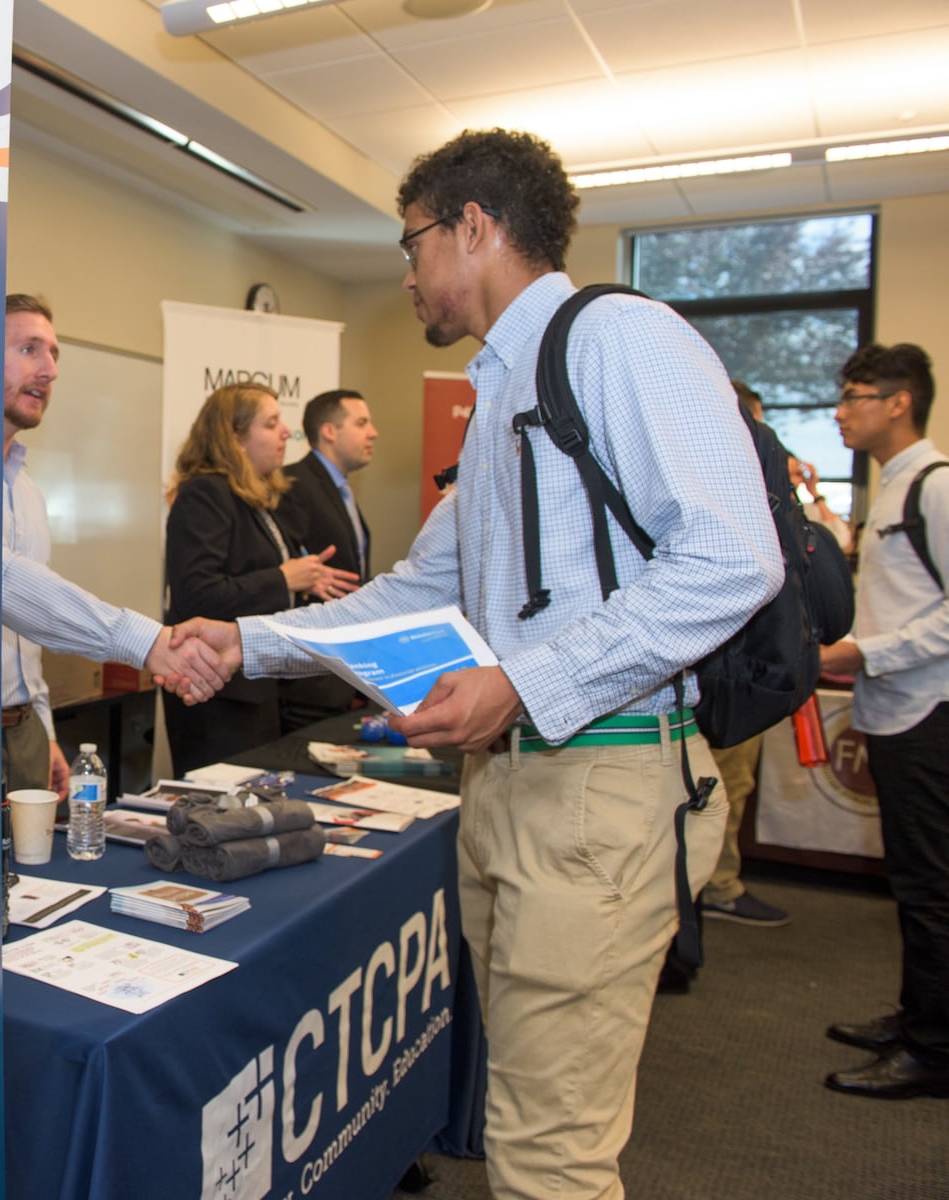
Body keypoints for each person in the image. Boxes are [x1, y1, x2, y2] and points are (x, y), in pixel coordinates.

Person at [175, 129, 782, 1197]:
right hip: (510, 781)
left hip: (600, 778)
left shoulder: (619, 340)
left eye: (411, 243)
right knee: (520, 1120)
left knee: (549, 1155)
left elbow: (733, 558)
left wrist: (524, 684)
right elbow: (420, 587)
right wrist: (249, 641)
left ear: (473, 228)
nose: (404, 273)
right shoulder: (500, 390)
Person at [819, 342, 949, 1100]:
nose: (840, 411)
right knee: (915, 878)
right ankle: (918, 1016)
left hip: (930, 711)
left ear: (899, 402)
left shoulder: (934, 486)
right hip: (899, 709)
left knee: (933, 886)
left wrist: (865, 651)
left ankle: (934, 1051)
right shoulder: (892, 487)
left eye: (856, 395)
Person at [161, 383, 357, 773]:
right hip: (216, 693)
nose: (286, 432)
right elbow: (198, 594)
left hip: (256, 688)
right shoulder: (204, 494)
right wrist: (284, 579)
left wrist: (304, 582)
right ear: (234, 438)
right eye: (271, 423)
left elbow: (256, 578)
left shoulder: (256, 500)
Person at [694, 381, 792, 931]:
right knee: (721, 784)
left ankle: (713, 886)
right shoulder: (714, 493)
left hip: (743, 666)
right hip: (720, 672)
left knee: (734, 783)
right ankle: (715, 887)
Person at [0, 293, 71, 799]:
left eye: (53, 354)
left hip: (25, 731)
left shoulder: (29, 495)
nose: (48, 370)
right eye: (29, 349)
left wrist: (44, 733)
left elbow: (29, 639)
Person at [0, 549, 231, 702]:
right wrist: (150, 643)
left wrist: (44, 730)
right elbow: (1, 576)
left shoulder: (30, 494)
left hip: (27, 722)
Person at [276, 388, 378, 730]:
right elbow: (287, 573)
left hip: (342, 677)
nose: (373, 432)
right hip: (308, 685)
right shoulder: (293, 484)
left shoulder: (341, 490)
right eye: (361, 423)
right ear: (329, 431)